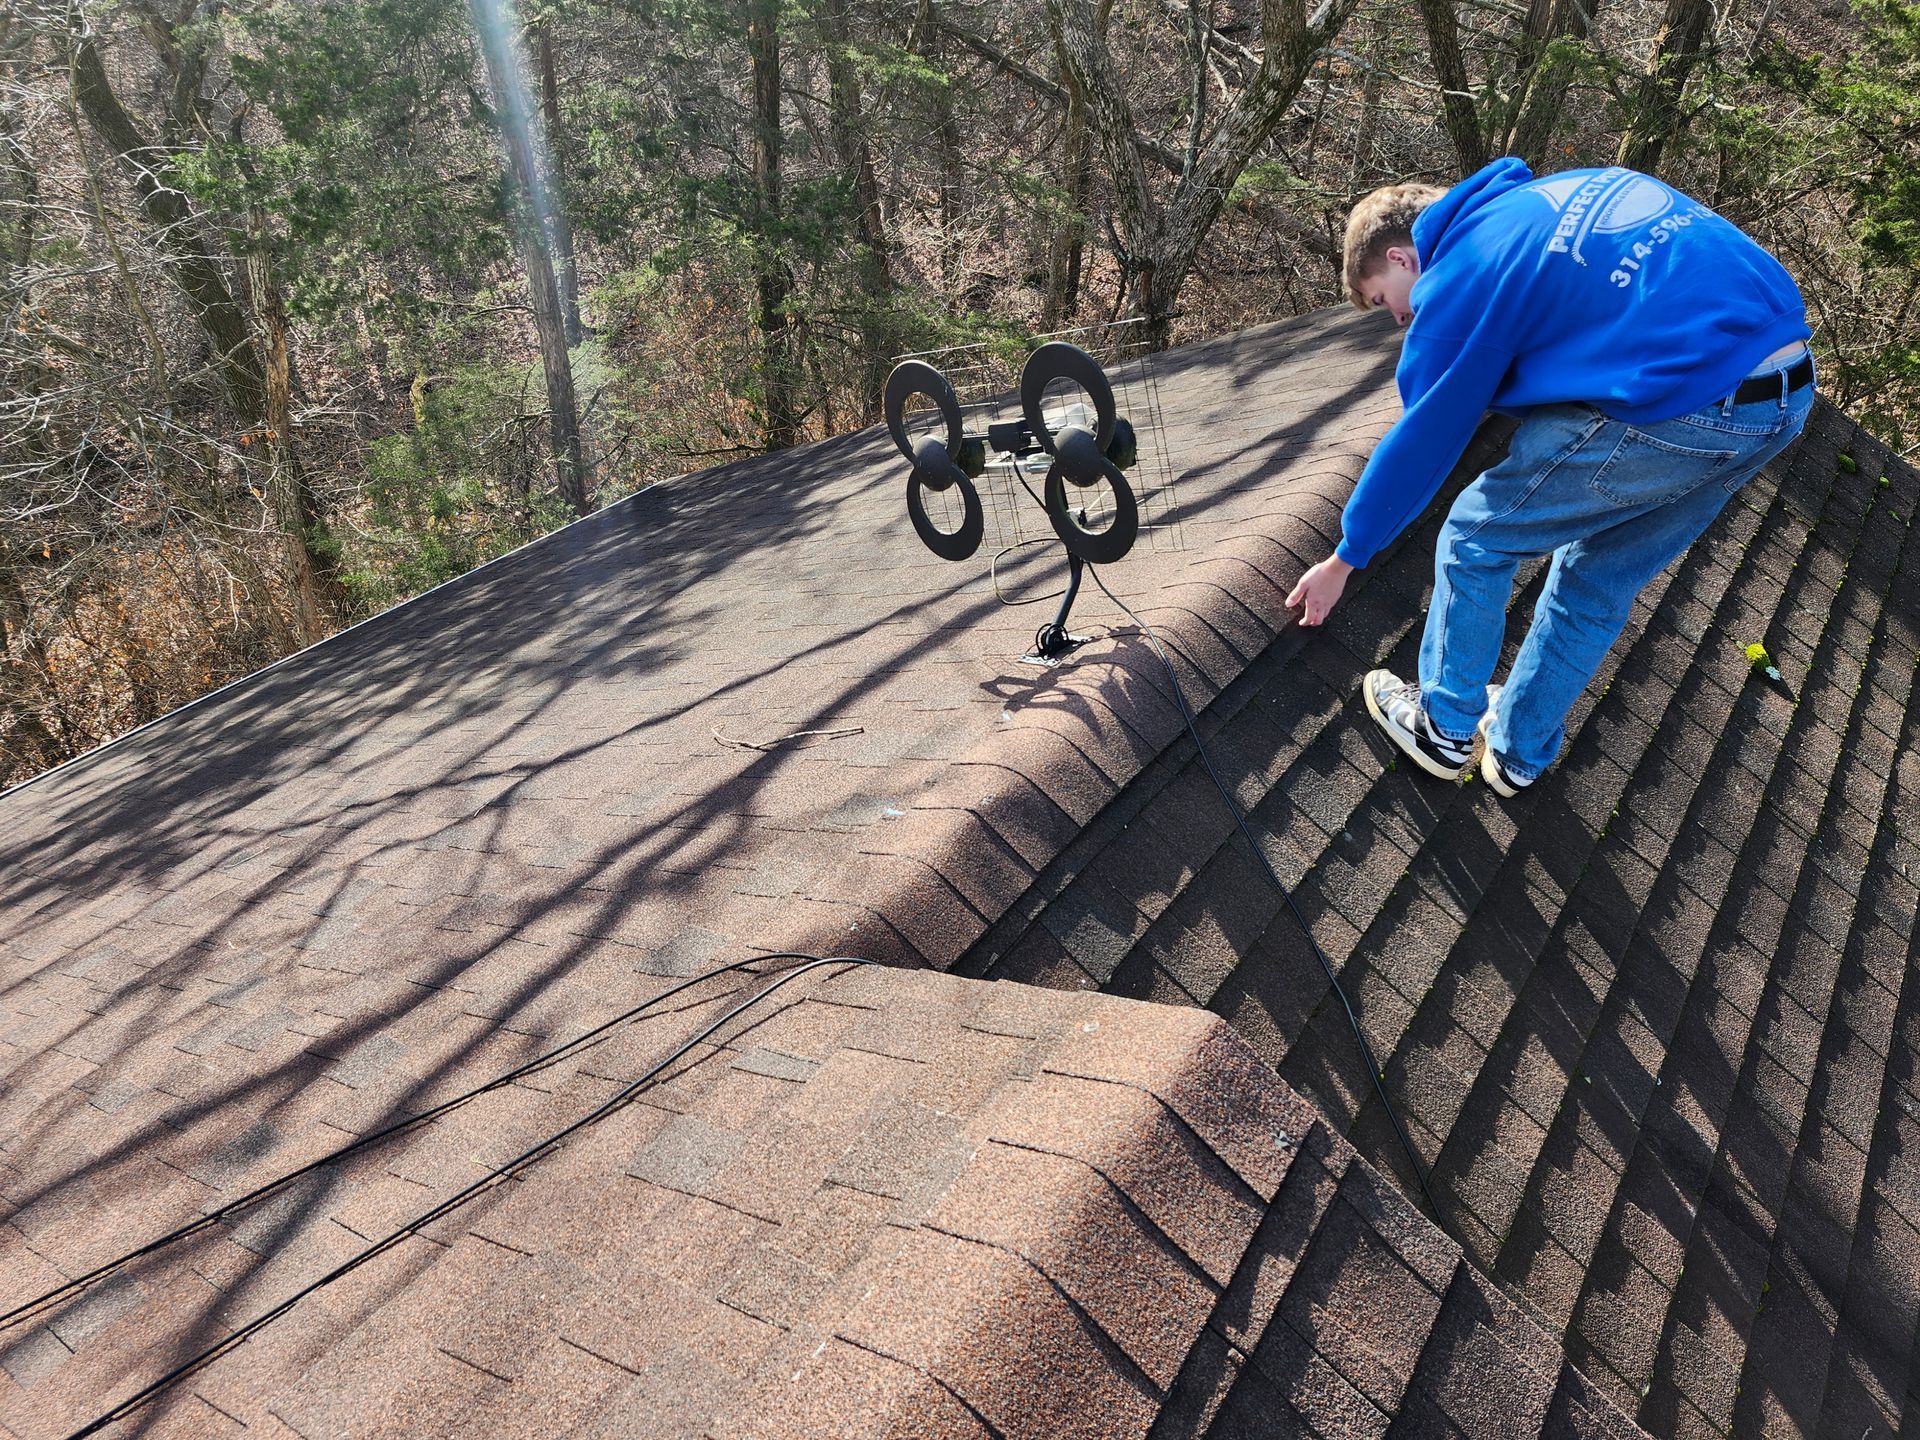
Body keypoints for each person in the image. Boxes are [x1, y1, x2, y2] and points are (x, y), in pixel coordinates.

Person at [1286, 158, 1814, 796]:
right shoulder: (1551, 196)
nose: (1400, 321)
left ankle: (1443, 725)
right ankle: (1517, 752)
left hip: (1693, 399)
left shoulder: (1460, 274)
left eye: (1383, 303)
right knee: (1599, 577)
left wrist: (1347, 555)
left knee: (1477, 533)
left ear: (1401, 258)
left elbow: (1424, 434)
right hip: (1783, 390)